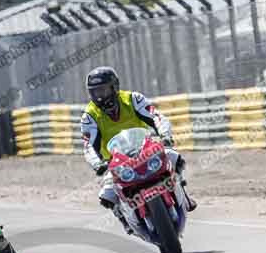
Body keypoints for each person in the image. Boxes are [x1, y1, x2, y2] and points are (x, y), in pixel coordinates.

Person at [80, 67, 197, 234]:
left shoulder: (133, 99)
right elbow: (87, 145)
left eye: (104, 90)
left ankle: (184, 195)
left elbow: (156, 116)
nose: (100, 96)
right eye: (95, 92)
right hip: (116, 162)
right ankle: (122, 217)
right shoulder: (89, 115)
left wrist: (165, 135)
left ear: (114, 87)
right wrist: (97, 163)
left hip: (145, 149)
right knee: (106, 193)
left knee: (172, 155)